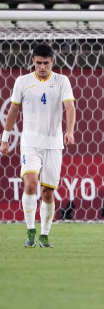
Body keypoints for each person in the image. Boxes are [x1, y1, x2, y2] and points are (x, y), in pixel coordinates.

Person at [1, 43, 76, 248]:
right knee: (31, 184)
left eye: (46, 63)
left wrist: (69, 131)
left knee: (48, 193)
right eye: (38, 63)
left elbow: (69, 106)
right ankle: (30, 231)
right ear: (32, 62)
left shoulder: (62, 81)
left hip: (53, 144)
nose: (42, 67)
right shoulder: (22, 82)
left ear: (52, 62)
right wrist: (5, 138)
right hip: (30, 143)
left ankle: (44, 234)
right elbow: (13, 110)